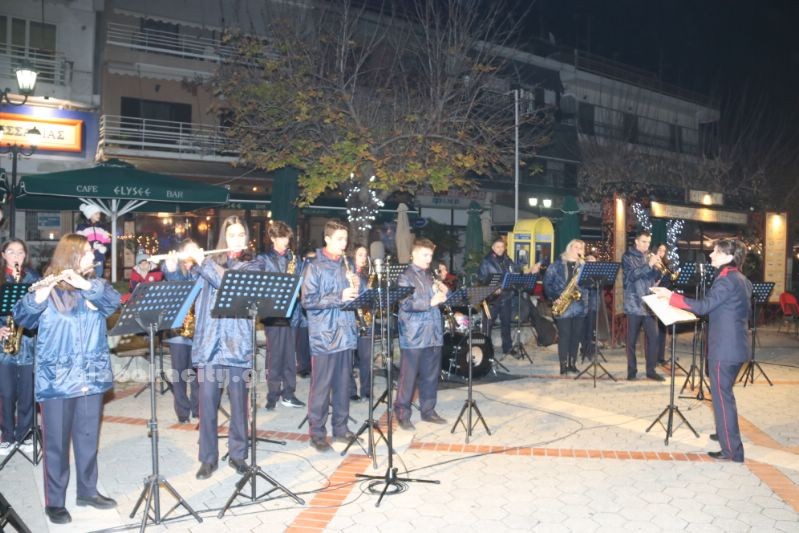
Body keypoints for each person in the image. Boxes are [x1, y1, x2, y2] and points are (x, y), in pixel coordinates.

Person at [14, 234, 121, 525]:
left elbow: (113, 303)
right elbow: (22, 318)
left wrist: (85, 285)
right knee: (57, 445)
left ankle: (87, 491)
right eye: (87, 252)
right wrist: (37, 297)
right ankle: (55, 502)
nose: (93, 257)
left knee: (88, 439)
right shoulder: (47, 289)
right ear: (71, 255)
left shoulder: (94, 287)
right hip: (57, 380)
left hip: (91, 377)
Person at [652, 239, 751, 462]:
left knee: (722, 400)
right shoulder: (741, 279)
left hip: (724, 350)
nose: (711, 255)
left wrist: (671, 296)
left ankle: (732, 451)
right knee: (725, 396)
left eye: (716, 252)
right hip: (736, 348)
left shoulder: (726, 280)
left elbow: (704, 306)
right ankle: (725, 434)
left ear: (728, 257)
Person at [190, 216, 264, 480]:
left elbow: (227, 282)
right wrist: (178, 265)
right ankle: (207, 458)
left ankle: (238, 454)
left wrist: (202, 263)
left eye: (241, 235)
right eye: (231, 235)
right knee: (207, 404)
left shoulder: (253, 265)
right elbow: (188, 286)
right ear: (224, 238)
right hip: (209, 342)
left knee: (239, 404)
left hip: (237, 343)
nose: (236, 239)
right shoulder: (210, 263)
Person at [301, 220, 360, 452]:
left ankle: (341, 429)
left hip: (346, 332)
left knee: (343, 385)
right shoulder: (314, 267)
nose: (344, 244)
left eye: (345, 239)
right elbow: (308, 301)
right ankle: (317, 433)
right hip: (324, 335)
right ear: (327, 239)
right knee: (321, 387)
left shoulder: (347, 264)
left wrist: (358, 286)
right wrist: (339, 296)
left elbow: (354, 297)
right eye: (339, 239)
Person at [395, 238, 449, 430]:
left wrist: (445, 292)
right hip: (414, 334)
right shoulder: (405, 277)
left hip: (433, 332)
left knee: (431, 375)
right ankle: (402, 413)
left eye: (431, 255)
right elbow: (405, 304)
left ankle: (428, 411)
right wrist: (430, 302)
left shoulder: (431, 275)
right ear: (414, 254)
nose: (429, 259)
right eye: (425, 255)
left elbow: (439, 299)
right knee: (408, 377)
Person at [258, 220, 305, 410]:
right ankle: (272, 395)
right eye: (282, 237)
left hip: (292, 313)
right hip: (273, 314)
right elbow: (260, 284)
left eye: (287, 238)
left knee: (290, 357)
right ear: (272, 238)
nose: (286, 241)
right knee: (275, 356)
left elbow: (301, 281)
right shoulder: (263, 259)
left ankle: (289, 394)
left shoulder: (294, 258)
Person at [0, 240, 41, 457]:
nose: (16, 256)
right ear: (3, 255)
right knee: (5, 394)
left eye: (20, 252)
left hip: (27, 343)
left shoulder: (33, 278)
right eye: (11, 252)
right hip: (3, 346)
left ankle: (25, 435)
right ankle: (7, 436)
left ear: (25, 256)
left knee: (27, 394)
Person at [162, 239, 200, 424]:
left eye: (195, 250)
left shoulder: (202, 269)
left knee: (197, 373)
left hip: (199, 329)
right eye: (188, 250)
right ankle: (183, 412)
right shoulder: (175, 269)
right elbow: (179, 284)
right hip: (178, 329)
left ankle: (198, 408)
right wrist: (171, 270)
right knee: (179, 373)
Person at [622, 231, 665, 381]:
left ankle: (651, 370)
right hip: (634, 303)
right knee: (631, 340)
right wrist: (649, 264)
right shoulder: (628, 256)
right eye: (644, 241)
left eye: (648, 242)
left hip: (649, 303)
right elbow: (632, 276)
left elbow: (653, 278)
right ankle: (631, 371)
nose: (647, 245)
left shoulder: (649, 256)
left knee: (654, 338)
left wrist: (658, 270)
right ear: (636, 241)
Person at [543, 239, 587, 374]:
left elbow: (588, 286)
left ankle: (572, 363)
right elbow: (547, 284)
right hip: (563, 304)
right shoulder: (556, 265)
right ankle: (563, 365)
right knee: (565, 335)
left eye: (581, 248)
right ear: (569, 248)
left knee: (576, 335)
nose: (579, 250)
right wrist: (556, 297)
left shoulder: (583, 266)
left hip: (579, 305)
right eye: (576, 247)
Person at [478, 237, 516, 357]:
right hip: (491, 299)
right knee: (487, 325)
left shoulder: (507, 260)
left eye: (502, 247)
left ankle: (507, 348)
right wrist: (493, 288)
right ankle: (486, 349)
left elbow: (513, 275)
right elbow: (482, 279)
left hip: (506, 296)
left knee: (506, 324)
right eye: (498, 247)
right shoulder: (486, 261)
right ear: (493, 248)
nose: (500, 249)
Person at [349, 244, 374, 401]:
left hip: (365, 317)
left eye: (365, 255)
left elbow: (370, 299)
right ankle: (350, 390)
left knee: (366, 357)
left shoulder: (367, 276)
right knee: (349, 358)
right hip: (350, 317)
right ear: (352, 256)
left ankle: (366, 390)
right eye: (360, 254)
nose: (364, 258)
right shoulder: (346, 274)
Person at [75, 203, 111, 277]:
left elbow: (107, 241)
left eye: (99, 213)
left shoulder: (102, 227)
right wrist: (92, 245)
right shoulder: (82, 227)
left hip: (99, 256)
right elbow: (79, 241)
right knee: (87, 276)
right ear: (90, 214)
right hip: (87, 257)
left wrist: (104, 248)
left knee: (98, 275)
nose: (99, 215)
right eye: (96, 213)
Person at [653, 243, 673, 365]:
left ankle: (660, 357)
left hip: (663, 298)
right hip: (653, 297)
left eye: (664, 251)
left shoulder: (666, 265)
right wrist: (657, 268)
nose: (662, 252)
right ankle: (653, 357)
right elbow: (653, 282)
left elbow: (669, 281)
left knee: (662, 328)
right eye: (660, 249)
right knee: (653, 330)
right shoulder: (651, 263)